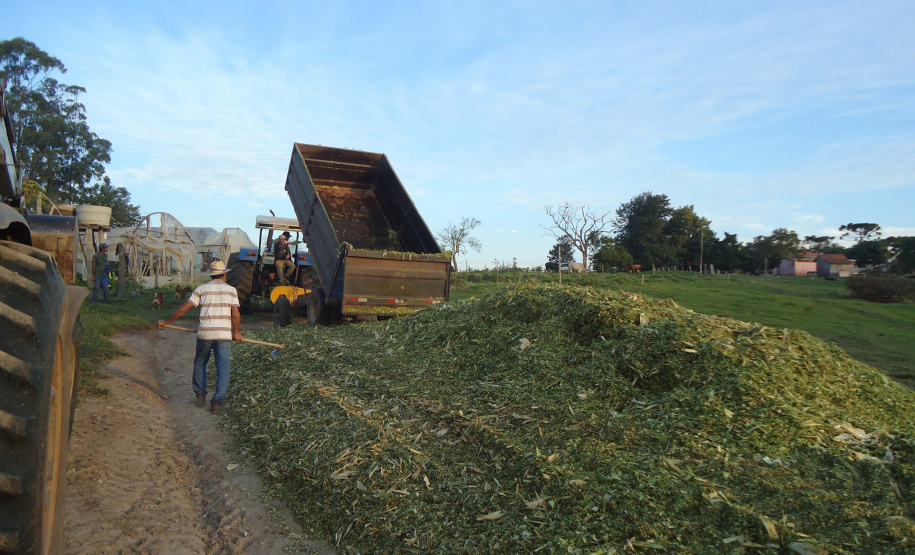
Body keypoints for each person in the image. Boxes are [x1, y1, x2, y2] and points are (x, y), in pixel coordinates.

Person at [157, 260, 243, 414]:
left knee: (200, 362)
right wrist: (236, 332)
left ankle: (201, 394)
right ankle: (217, 401)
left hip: (205, 334)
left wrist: (167, 321)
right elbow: (235, 314)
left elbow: (184, 308)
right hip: (223, 335)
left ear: (211, 275)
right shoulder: (231, 290)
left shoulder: (202, 289)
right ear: (224, 274)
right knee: (223, 368)